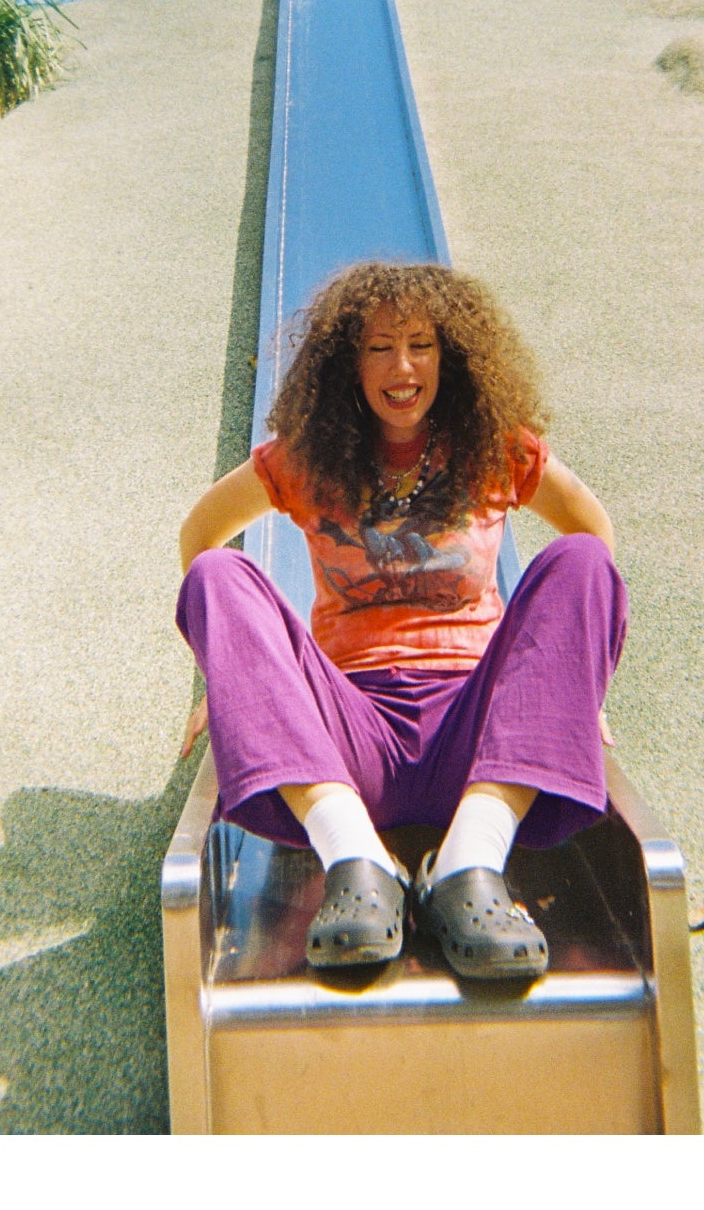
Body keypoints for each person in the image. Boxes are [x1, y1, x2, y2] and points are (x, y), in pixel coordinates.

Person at [172, 261, 620, 980]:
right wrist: (233, 679)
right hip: (349, 738)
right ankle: (358, 857)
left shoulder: (498, 450)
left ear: (453, 355)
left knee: (581, 563)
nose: (402, 366)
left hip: (479, 739)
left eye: (421, 344)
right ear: (349, 363)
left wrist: (576, 689)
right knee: (220, 575)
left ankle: (469, 859)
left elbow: (592, 532)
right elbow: (201, 537)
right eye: (379, 347)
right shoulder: (307, 459)